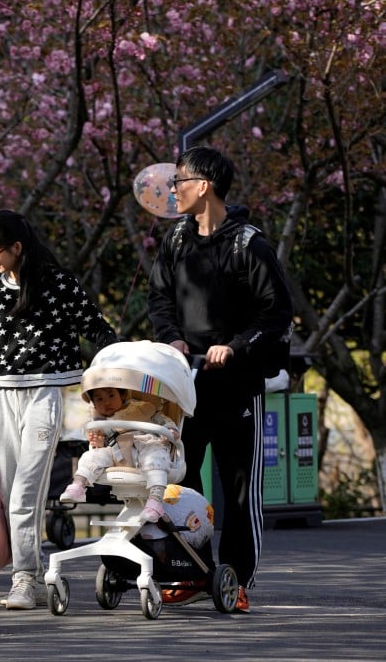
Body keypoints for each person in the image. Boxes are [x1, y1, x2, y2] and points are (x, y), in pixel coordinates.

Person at [147, 146, 294, 613]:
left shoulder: (249, 244)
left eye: (180, 182)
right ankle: (190, 572)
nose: (174, 191)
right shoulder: (174, 241)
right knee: (180, 484)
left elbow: (277, 314)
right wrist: (171, 339)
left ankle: (236, 578)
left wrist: (235, 345)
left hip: (237, 387)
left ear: (204, 185)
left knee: (238, 490)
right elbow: (159, 298)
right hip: (185, 386)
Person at [0, 210, 118, 610]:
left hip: (43, 395)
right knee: (8, 496)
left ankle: (22, 579)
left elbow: (96, 327)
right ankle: (32, 578)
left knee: (25, 493)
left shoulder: (59, 284)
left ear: (17, 247)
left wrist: (124, 358)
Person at [59, 387, 180, 522]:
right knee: (91, 456)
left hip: (146, 445)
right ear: (93, 404)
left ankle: (155, 500)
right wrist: (99, 442)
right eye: (99, 399)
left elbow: (164, 421)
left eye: (111, 395)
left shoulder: (142, 408)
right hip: (117, 453)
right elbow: (102, 445)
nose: (107, 402)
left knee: (157, 456)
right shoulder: (102, 422)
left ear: (122, 395)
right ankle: (78, 485)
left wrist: (170, 430)